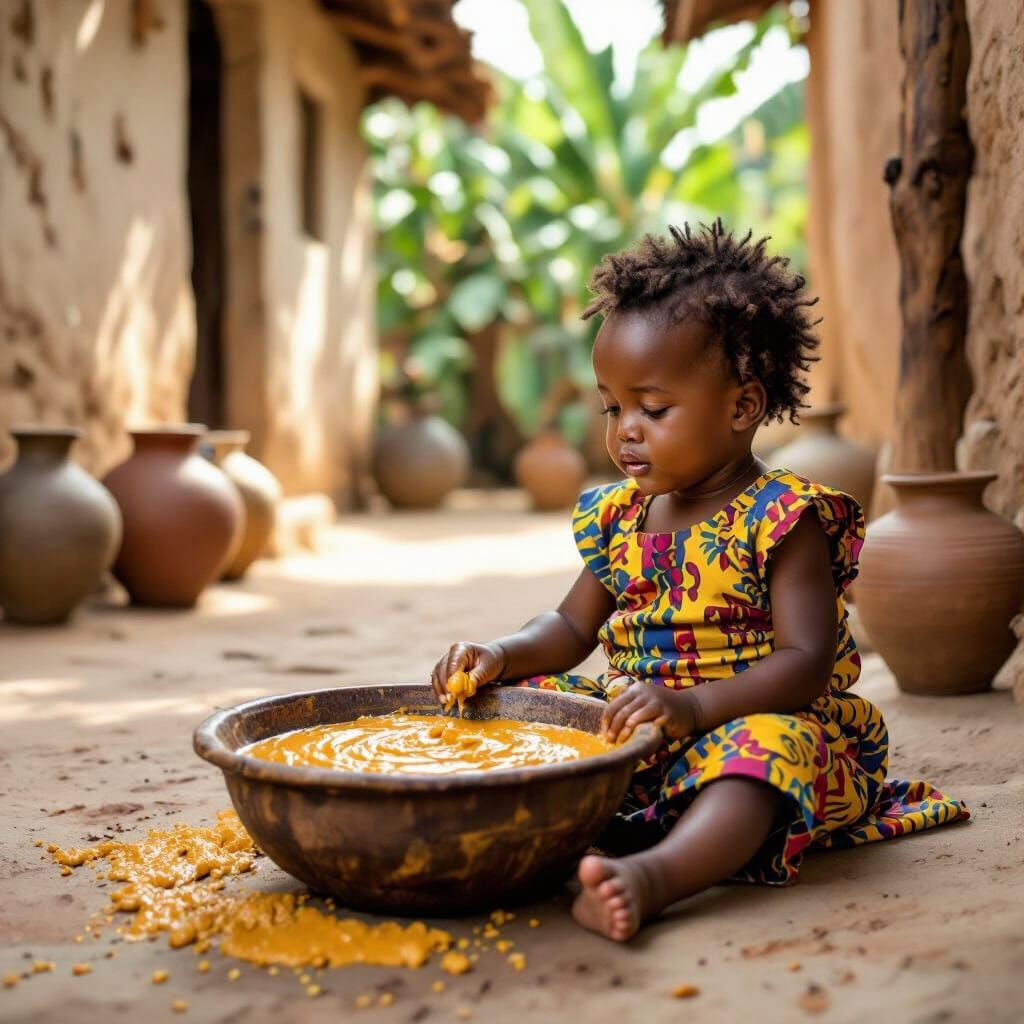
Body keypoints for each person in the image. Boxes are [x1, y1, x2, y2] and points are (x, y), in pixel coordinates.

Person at [430, 221, 969, 942]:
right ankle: (527, 836)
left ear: (742, 406)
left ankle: (654, 877)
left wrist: (691, 707)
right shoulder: (621, 517)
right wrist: (499, 655)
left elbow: (805, 663)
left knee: (764, 755)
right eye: (612, 407)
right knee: (529, 704)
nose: (625, 430)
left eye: (653, 409)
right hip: (638, 727)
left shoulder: (782, 518)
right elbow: (568, 628)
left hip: (748, 721)